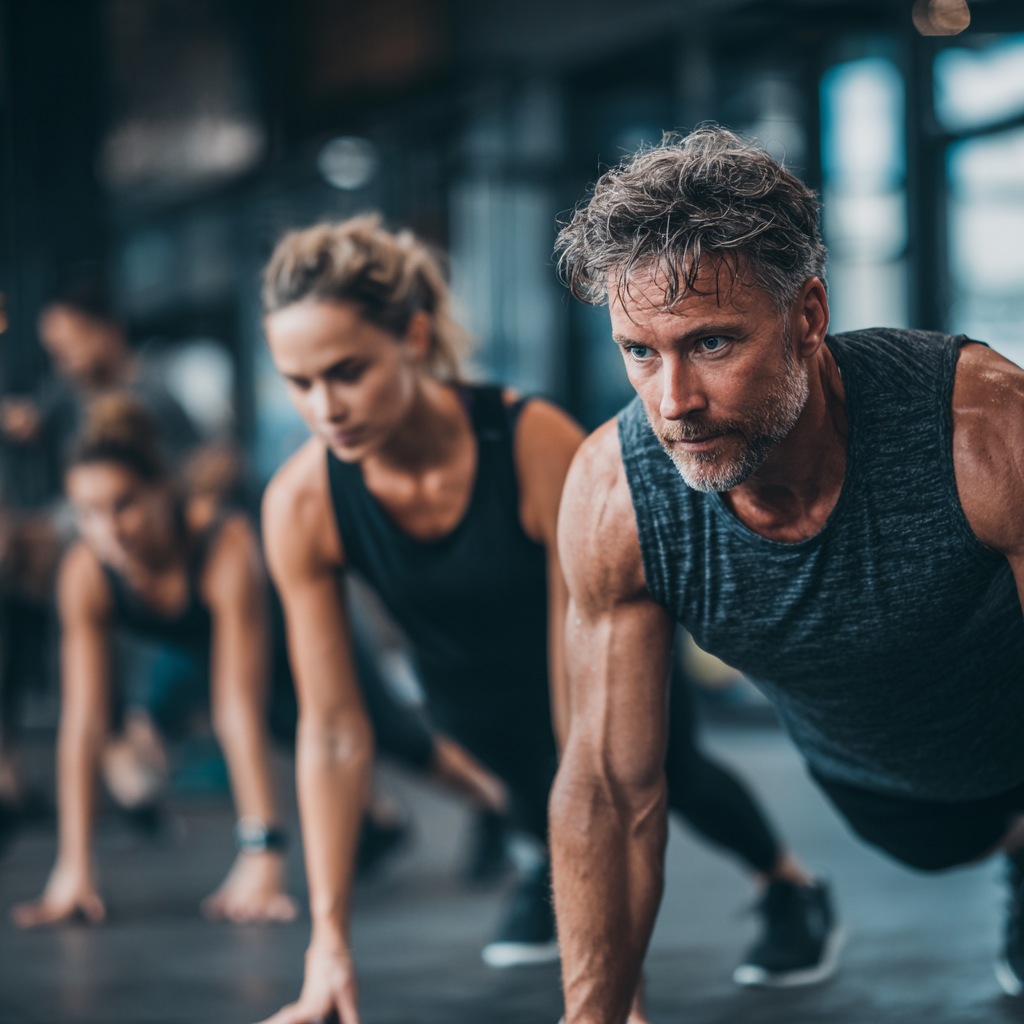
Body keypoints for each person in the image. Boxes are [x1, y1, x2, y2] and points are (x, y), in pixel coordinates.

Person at [257, 215, 838, 1024]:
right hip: (467, 692)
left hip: (591, 657)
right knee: (528, 800)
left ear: (413, 337)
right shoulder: (301, 502)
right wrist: (327, 943)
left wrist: (616, 994)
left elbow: (592, 739)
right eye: (300, 381)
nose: (326, 406)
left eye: (346, 371)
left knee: (677, 781)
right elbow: (332, 730)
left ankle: (787, 885)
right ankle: (551, 869)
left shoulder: (529, 442)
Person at [549, 125, 1024, 1024]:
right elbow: (613, 790)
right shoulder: (616, 494)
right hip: (878, 785)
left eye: (713, 345)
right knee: (932, 840)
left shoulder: (985, 429)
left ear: (808, 317)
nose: (674, 403)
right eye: (640, 352)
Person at [11, 396, 296, 926]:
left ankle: (485, 800)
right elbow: (83, 723)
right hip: (191, 661)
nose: (109, 529)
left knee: (399, 741)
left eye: (123, 505)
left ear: (162, 492)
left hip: (292, 641)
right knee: (134, 765)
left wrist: (263, 853)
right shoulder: (85, 570)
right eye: (88, 513)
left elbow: (237, 710)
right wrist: (73, 866)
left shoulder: (222, 540)